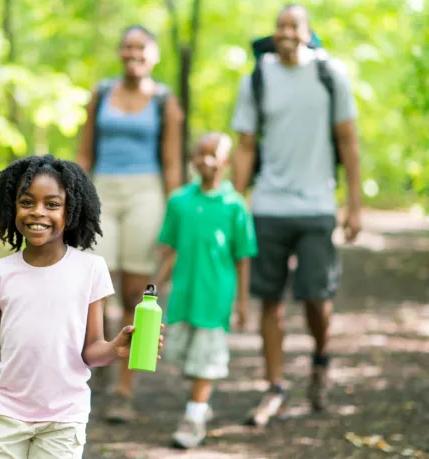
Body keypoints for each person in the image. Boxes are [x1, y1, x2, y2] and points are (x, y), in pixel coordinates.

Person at [0, 155, 164, 459]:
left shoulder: (90, 269)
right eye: (27, 202)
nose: (38, 212)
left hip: (64, 418)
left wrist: (115, 348)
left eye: (52, 204)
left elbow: (90, 351)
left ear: (70, 210)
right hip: (7, 415)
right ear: (12, 206)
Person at [231, 3, 362, 427]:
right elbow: (247, 145)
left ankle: (321, 361)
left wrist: (354, 203)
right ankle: (275, 386)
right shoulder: (257, 78)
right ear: (274, 32)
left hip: (318, 205)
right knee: (270, 299)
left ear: (308, 32)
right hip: (269, 205)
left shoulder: (331, 75)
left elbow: (348, 140)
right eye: (280, 26)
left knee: (316, 298)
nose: (286, 32)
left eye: (294, 26)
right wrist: (236, 202)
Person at [76, 24, 183, 423]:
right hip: (101, 189)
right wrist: (70, 198)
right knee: (94, 286)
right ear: (120, 53)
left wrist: (175, 220)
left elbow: (172, 163)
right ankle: (95, 360)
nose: (133, 53)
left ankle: (125, 386)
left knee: (137, 291)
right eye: (127, 47)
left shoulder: (164, 101)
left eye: (141, 47)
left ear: (153, 55)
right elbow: (84, 154)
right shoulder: (101, 94)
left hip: (146, 193)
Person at [152, 132, 257, 449]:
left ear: (226, 162)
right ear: (192, 159)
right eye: (200, 153)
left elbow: (242, 259)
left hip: (215, 298)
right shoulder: (179, 201)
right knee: (184, 358)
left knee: (205, 359)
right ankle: (200, 404)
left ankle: (194, 417)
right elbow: (170, 251)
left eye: (214, 154)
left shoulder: (234, 206)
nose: (206, 160)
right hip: (183, 296)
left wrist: (242, 304)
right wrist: (155, 288)